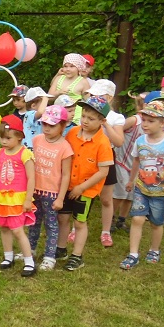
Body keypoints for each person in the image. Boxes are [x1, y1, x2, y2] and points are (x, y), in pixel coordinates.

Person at [120, 101, 164, 269]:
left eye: (150, 121)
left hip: (161, 192)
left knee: (156, 223)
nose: (145, 124)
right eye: (144, 120)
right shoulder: (140, 141)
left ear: (163, 123)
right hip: (141, 189)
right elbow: (136, 161)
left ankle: (154, 250)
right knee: (137, 219)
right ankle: (133, 254)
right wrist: (131, 180)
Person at [57, 95, 114, 271]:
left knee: (79, 222)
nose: (85, 121)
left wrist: (82, 187)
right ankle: (60, 249)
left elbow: (103, 172)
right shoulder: (72, 133)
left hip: (85, 190)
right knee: (62, 218)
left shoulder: (103, 143)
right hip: (66, 186)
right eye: (83, 116)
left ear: (102, 121)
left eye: (91, 118)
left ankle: (77, 256)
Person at [0, 115, 36, 276]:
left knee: (17, 230)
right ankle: (8, 257)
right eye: (1, 138)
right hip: (2, 198)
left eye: (8, 138)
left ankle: (29, 262)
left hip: (17, 199)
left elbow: (31, 178)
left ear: (20, 136)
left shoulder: (25, 154)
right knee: (4, 227)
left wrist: (28, 199)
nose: (3, 141)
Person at [28, 105, 74, 271]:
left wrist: (61, 198)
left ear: (63, 125)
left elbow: (66, 175)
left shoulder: (65, 148)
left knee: (51, 225)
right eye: (44, 124)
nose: (47, 128)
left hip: (52, 193)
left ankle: (49, 256)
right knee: (33, 221)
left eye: (52, 125)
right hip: (35, 190)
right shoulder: (37, 139)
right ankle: (30, 250)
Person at [87, 79, 123, 248]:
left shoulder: (116, 118)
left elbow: (119, 141)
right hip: (87, 156)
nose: (93, 99)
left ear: (109, 98)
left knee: (106, 199)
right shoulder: (87, 114)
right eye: (91, 95)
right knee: (84, 194)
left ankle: (106, 231)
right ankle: (77, 227)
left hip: (106, 158)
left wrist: (106, 123)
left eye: (97, 96)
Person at [110, 93, 145, 233]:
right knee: (120, 193)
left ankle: (122, 220)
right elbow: (117, 130)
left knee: (131, 194)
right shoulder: (134, 120)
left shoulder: (153, 124)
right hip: (122, 160)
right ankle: (110, 218)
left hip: (136, 165)